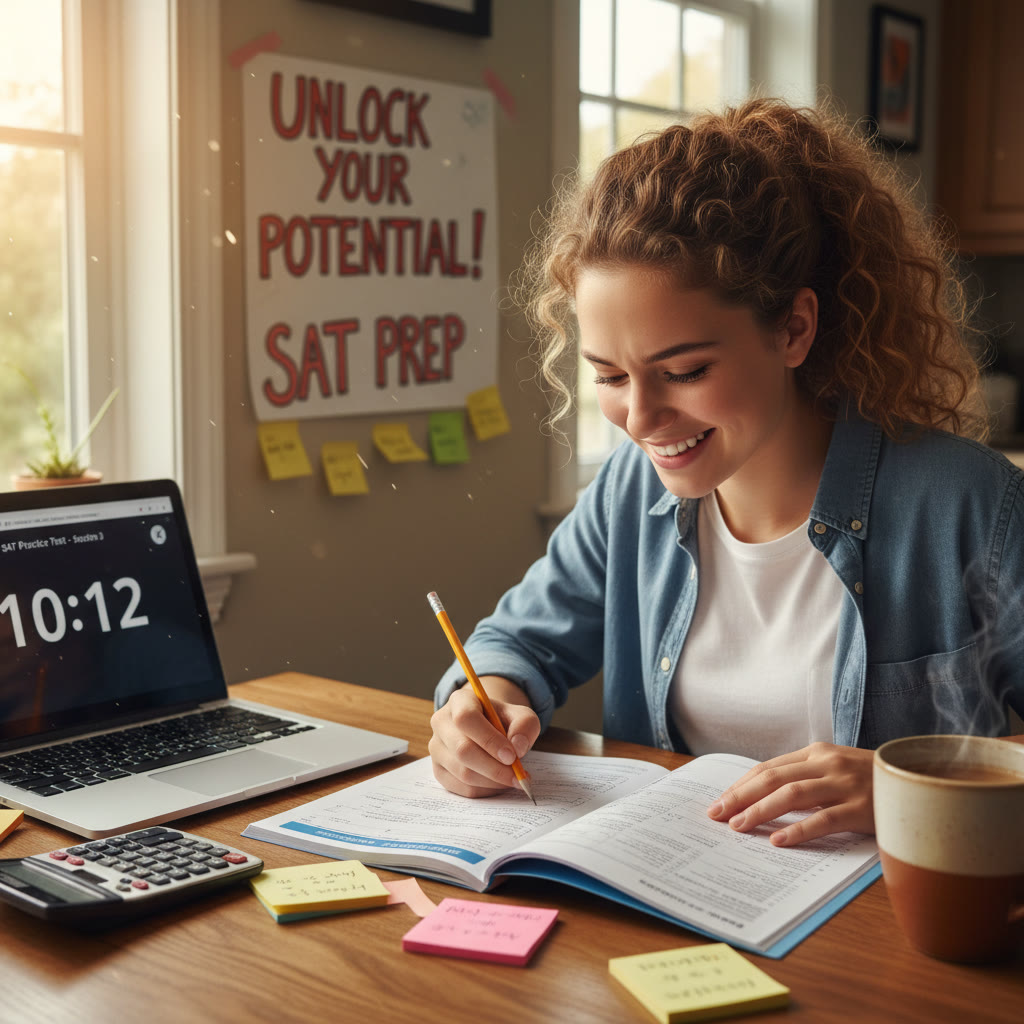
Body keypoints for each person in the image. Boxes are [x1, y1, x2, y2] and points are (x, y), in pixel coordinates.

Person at [429, 98, 1024, 847]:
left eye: (684, 370)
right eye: (609, 376)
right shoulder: (630, 488)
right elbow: (516, 645)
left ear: (793, 329)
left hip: (892, 939)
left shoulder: (972, 505)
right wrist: (478, 708)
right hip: (672, 916)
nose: (641, 419)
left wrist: (914, 783)